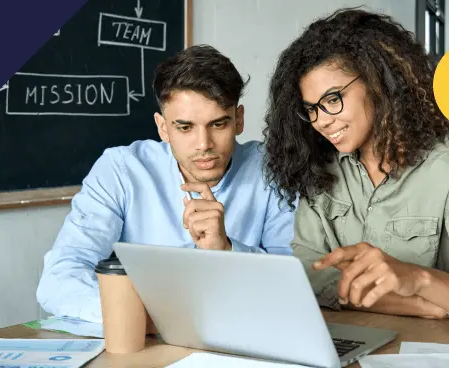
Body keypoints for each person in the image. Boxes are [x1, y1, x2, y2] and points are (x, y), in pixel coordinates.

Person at [262, 8, 449, 335]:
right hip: (347, 344)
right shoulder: (317, 173)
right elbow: (307, 280)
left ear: (376, 82)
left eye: (333, 99)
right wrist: (423, 306)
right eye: (311, 109)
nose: (322, 121)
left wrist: (416, 278)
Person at [37, 45, 296, 323]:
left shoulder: (271, 169)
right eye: (185, 127)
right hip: (146, 339)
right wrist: (143, 315)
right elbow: (59, 277)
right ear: (163, 128)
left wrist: (227, 250)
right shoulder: (121, 170)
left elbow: (293, 283)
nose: (204, 144)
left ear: (239, 119)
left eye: (219, 124)